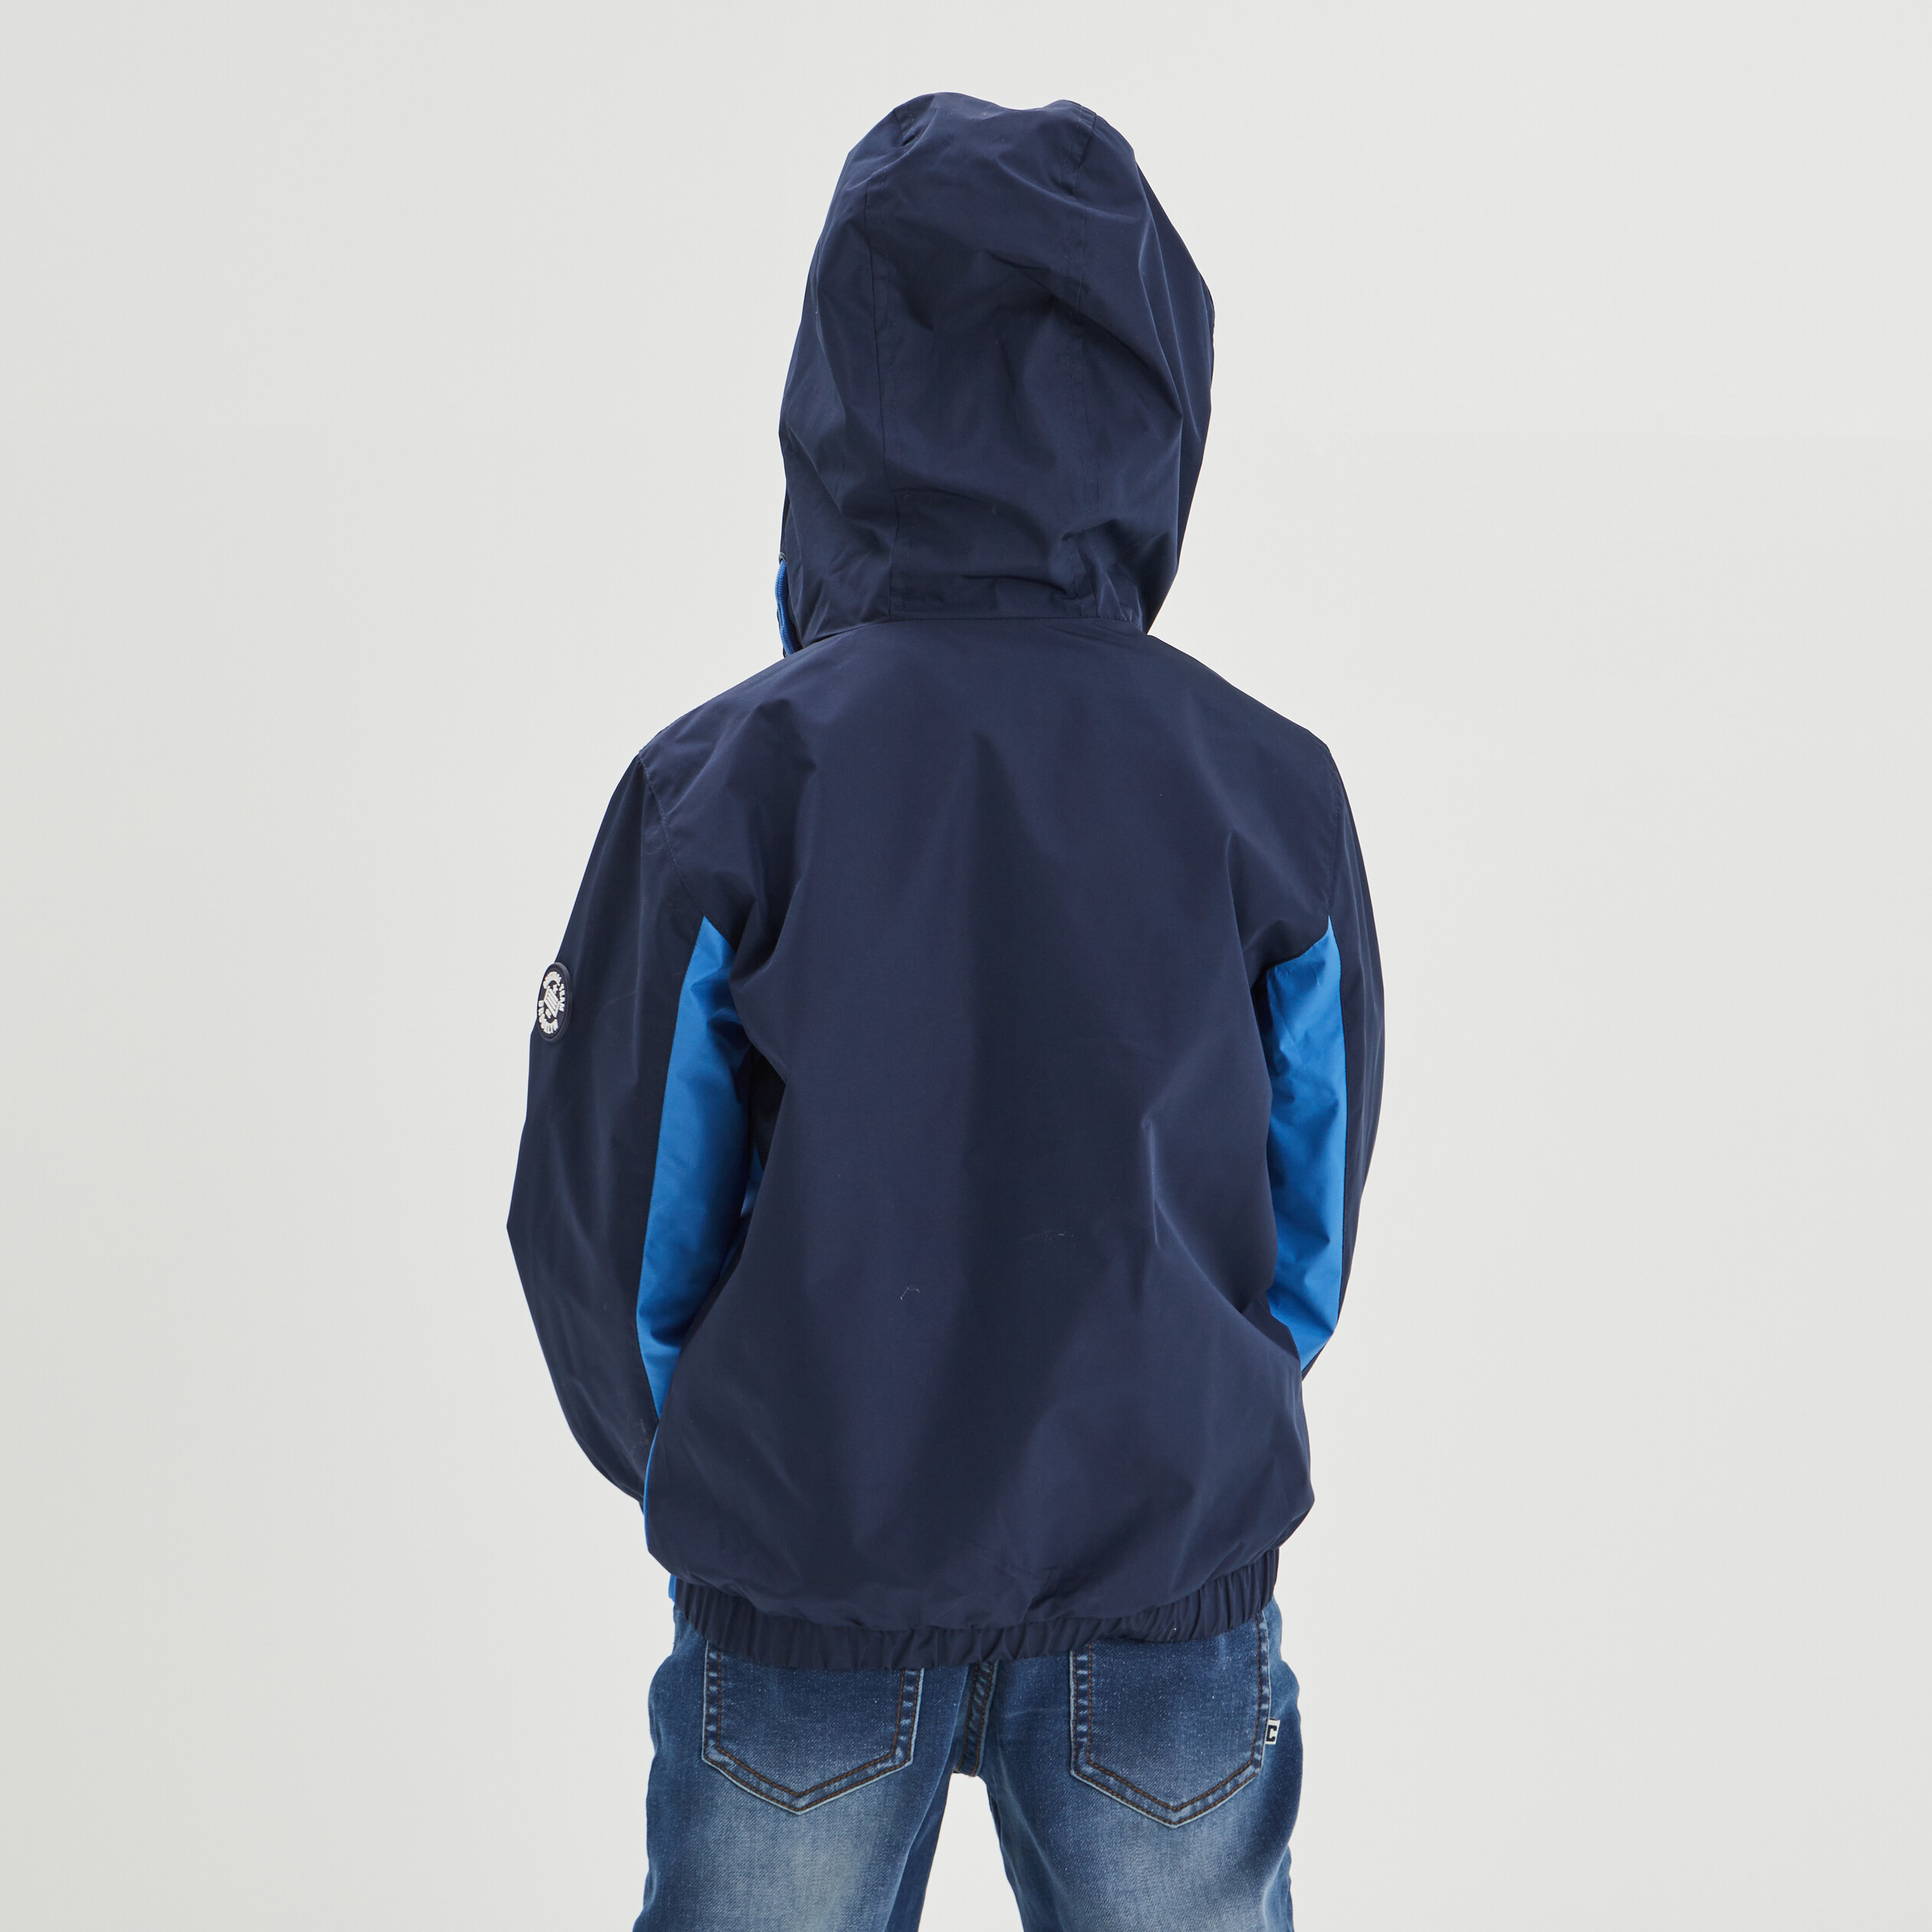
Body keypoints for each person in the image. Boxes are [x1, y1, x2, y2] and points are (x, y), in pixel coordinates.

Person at [508, 91, 1384, 1932]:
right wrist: (1188, 1418)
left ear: (839, 394)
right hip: (1163, 1566)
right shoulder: (1263, 788)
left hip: (809, 1566)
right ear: (1159, 398)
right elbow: (1303, 1221)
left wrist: (731, 1467)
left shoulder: (728, 785)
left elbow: (611, 1221)